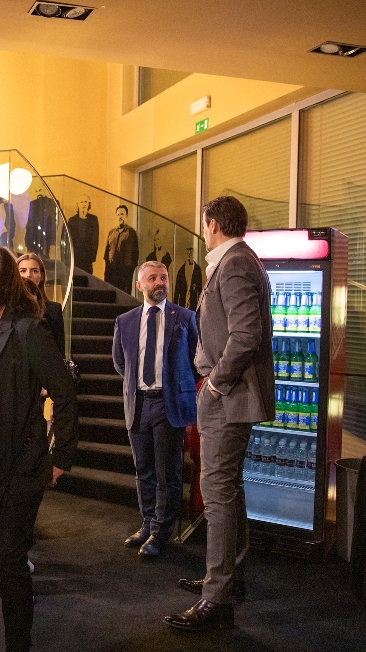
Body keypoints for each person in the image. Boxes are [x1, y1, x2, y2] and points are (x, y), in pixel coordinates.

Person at [0, 245, 78, 652]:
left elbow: (64, 394)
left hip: (16, 474)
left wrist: (61, 457)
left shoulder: (27, 331)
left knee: (8, 567)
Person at [166, 196, 274, 631]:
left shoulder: (234, 263)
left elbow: (246, 334)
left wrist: (214, 384)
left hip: (228, 397)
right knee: (229, 491)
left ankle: (217, 600)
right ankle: (228, 581)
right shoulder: (239, 260)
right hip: (229, 396)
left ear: (212, 224)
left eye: (204, 224)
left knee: (217, 493)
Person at [112, 262, 198, 559]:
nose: (160, 282)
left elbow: (196, 362)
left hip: (168, 403)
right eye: (152, 278)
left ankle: (161, 532)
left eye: (163, 277)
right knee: (143, 469)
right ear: (140, 285)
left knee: (167, 472)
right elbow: (120, 362)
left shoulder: (185, 317)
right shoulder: (125, 321)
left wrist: (178, 387)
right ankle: (148, 524)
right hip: (138, 402)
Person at [16, 253, 64, 354]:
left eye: (34, 271)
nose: (28, 275)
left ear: (41, 276)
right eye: (23, 271)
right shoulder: (6, 307)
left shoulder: (53, 309)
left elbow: (58, 350)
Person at [103, 204, 139, 294]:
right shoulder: (111, 232)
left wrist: (129, 271)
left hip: (124, 271)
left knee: (123, 294)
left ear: (126, 216)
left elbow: (135, 254)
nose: (120, 217)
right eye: (118, 214)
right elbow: (107, 252)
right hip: (111, 269)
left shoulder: (131, 233)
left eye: (122, 214)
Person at [66, 194, 99, 274]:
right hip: (75, 258)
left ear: (88, 204)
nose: (84, 204)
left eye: (85, 202)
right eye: (81, 202)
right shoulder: (72, 220)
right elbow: (67, 240)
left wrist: (91, 258)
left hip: (88, 259)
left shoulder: (93, 219)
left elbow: (95, 240)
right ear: (78, 204)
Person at [173, 246, 203, 311]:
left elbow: (200, 289)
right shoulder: (181, 270)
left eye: (191, 253)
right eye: (188, 253)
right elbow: (177, 290)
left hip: (193, 303)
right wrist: (174, 307)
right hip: (182, 302)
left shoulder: (197, 269)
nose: (189, 255)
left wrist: (200, 306)